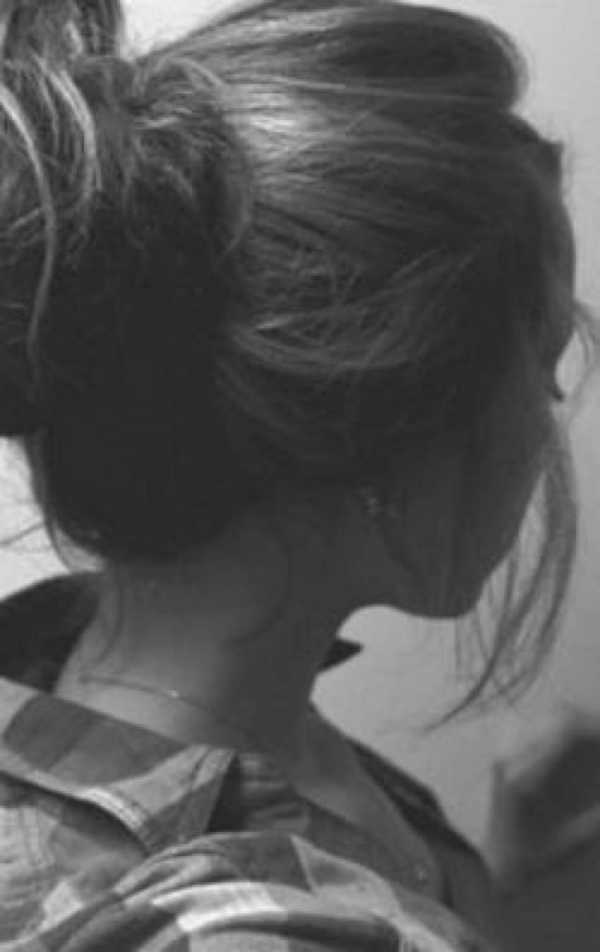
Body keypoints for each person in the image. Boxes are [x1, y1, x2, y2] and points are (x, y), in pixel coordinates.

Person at [0, 0, 597, 948]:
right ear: (389, 428)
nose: (550, 416)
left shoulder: (82, 683)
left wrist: (486, 896)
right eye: (548, 362)